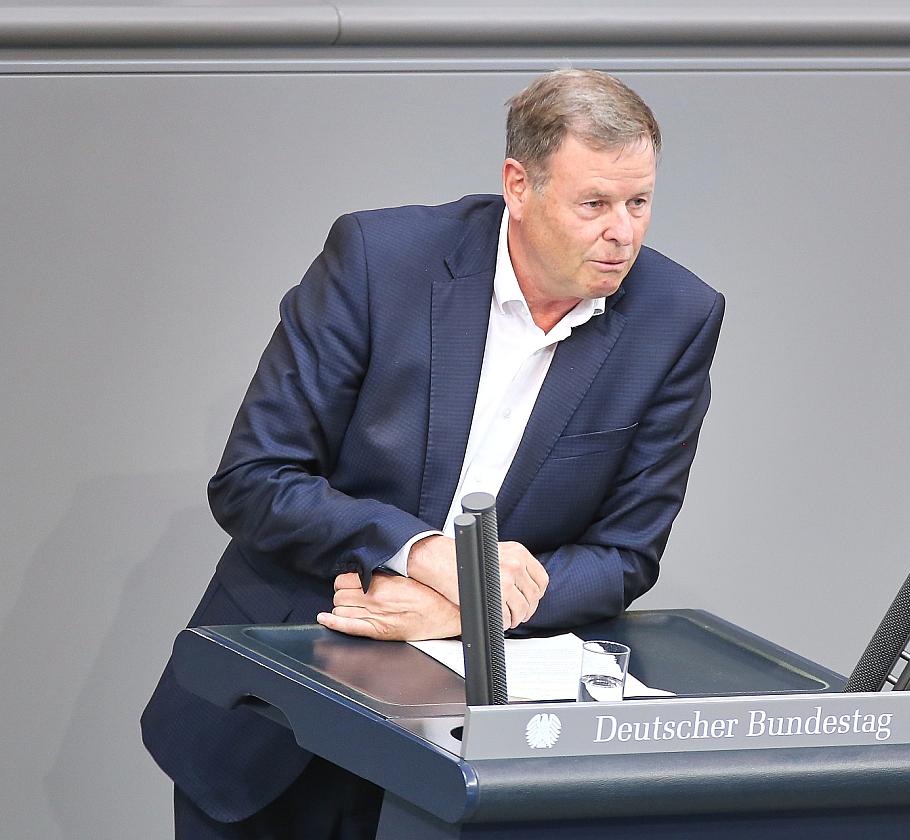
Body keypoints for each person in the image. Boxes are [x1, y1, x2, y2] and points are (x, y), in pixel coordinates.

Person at [142, 68, 725, 838]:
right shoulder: (380, 261)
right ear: (519, 185)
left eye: (639, 202)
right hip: (280, 705)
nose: (624, 233)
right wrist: (423, 554)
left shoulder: (675, 317)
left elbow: (624, 555)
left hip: (469, 749)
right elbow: (255, 480)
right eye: (594, 204)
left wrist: (464, 611)